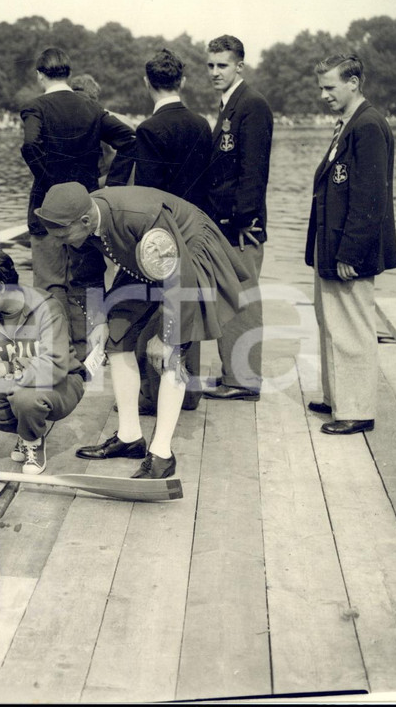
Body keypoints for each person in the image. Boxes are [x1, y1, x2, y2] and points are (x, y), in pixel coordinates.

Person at [36, 182, 249, 480]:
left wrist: (166, 336)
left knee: (171, 356)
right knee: (116, 339)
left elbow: (178, 276)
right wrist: (98, 321)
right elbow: (86, 274)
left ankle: (162, 454)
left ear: (85, 221)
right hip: (145, 260)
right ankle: (129, 436)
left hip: (186, 257)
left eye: (62, 235)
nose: (58, 243)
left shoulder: (141, 217)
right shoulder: (81, 225)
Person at [306, 54, 396, 435]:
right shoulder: (349, 125)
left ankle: (357, 409)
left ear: (354, 83)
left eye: (330, 87)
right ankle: (337, 398)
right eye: (321, 88)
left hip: (348, 251)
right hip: (331, 245)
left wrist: (350, 253)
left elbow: (370, 197)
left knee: (352, 327)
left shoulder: (368, 126)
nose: (323, 95)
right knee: (331, 322)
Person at [20, 47, 136, 310]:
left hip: (46, 209)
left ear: (40, 76)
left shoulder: (35, 107)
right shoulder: (91, 108)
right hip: (86, 208)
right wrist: (113, 188)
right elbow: (129, 140)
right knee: (86, 283)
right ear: (68, 74)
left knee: (50, 286)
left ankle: (60, 350)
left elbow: (30, 146)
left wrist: (51, 183)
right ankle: (90, 348)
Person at [132, 48, 214, 412]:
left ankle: (153, 395)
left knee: (155, 307)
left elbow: (148, 195)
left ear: (146, 82)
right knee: (188, 308)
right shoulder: (202, 125)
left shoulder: (149, 130)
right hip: (196, 230)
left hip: (163, 233)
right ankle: (189, 391)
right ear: (182, 81)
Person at [0, 247, 85, 476]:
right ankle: (25, 429)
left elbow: (55, 367)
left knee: (25, 396)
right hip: (15, 386)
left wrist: (8, 367)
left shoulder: (47, 307)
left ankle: (32, 440)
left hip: (61, 384)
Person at [202, 35, 274, 403]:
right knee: (230, 300)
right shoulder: (230, 105)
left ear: (239, 66)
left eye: (223, 66)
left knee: (243, 303)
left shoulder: (252, 106)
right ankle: (234, 373)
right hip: (226, 225)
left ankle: (244, 380)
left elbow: (253, 172)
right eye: (211, 65)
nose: (215, 72)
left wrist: (243, 219)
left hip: (241, 228)